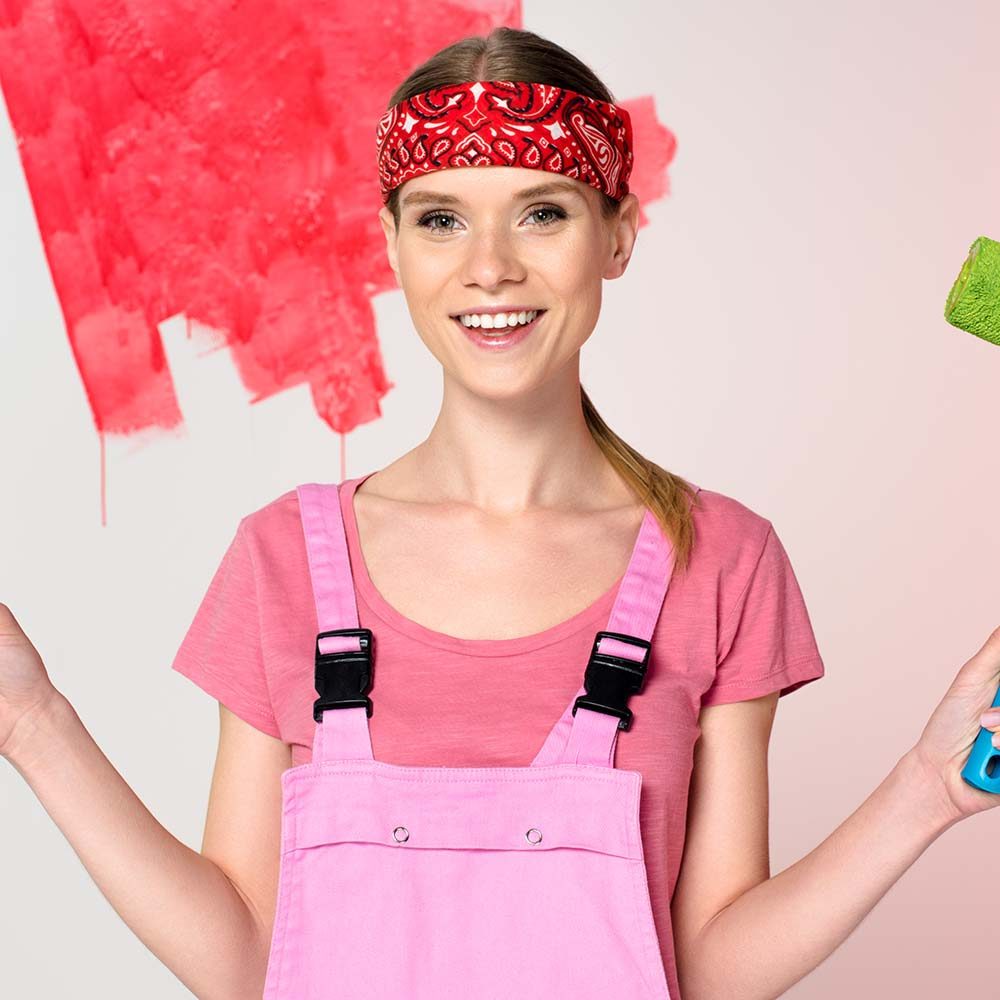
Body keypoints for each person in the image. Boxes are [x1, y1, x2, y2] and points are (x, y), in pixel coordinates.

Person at [1, 24, 999, 1000]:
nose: (488, 266)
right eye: (439, 218)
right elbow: (245, 961)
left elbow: (704, 970)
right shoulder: (283, 559)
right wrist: (33, 723)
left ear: (617, 233)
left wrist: (925, 787)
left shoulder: (722, 560)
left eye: (541, 213)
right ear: (390, 245)